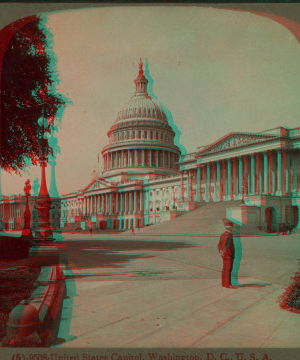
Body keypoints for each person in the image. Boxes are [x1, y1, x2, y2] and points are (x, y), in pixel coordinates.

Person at [218, 219, 238, 289]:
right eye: (232, 227)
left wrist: (221, 252)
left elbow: (219, 245)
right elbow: (228, 246)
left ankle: (224, 283)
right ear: (229, 227)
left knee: (225, 269)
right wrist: (229, 253)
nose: (233, 228)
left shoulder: (223, 234)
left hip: (224, 255)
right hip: (228, 255)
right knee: (228, 269)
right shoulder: (229, 235)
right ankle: (228, 284)